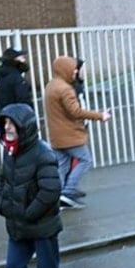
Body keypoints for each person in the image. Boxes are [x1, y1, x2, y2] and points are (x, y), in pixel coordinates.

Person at [0, 103, 66, 268]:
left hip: (41, 227)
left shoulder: (43, 153)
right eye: (4, 123)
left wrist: (28, 213)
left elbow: (50, 190)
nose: (7, 127)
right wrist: (2, 205)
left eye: (10, 123)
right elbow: (4, 182)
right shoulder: (9, 151)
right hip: (18, 227)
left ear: (24, 126)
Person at [42, 56, 111, 210]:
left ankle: (57, 196)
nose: (75, 72)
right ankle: (68, 192)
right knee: (85, 160)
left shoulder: (51, 86)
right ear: (65, 69)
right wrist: (100, 115)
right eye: (73, 68)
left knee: (62, 165)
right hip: (69, 136)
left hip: (56, 136)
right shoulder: (65, 89)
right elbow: (76, 111)